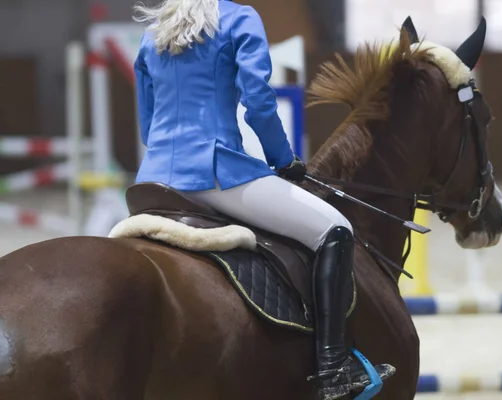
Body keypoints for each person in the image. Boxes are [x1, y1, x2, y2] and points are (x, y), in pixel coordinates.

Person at [132, 0, 395, 398]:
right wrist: (282, 158)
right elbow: (258, 103)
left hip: (152, 181)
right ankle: (333, 368)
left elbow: (148, 128)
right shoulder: (239, 19)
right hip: (217, 172)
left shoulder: (153, 34)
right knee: (335, 229)